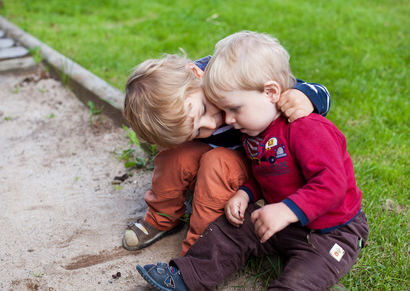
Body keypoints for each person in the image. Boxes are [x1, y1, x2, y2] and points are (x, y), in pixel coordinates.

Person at [136, 31, 369, 291]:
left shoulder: (303, 126)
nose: (224, 120)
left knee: (301, 278)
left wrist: (287, 210)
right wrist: (246, 193)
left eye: (233, 109)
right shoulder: (255, 133)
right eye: (224, 110)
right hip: (279, 220)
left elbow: (332, 185)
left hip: (331, 229)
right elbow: (269, 172)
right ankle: (189, 275)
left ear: (271, 93)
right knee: (230, 230)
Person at [123, 49, 331, 257]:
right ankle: (163, 218)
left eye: (203, 109)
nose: (211, 124)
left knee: (217, 162)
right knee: (175, 156)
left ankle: (202, 249)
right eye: (196, 131)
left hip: (262, 161)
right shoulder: (184, 105)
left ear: (197, 74)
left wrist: (304, 96)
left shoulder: (234, 74)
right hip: (215, 159)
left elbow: (318, 92)